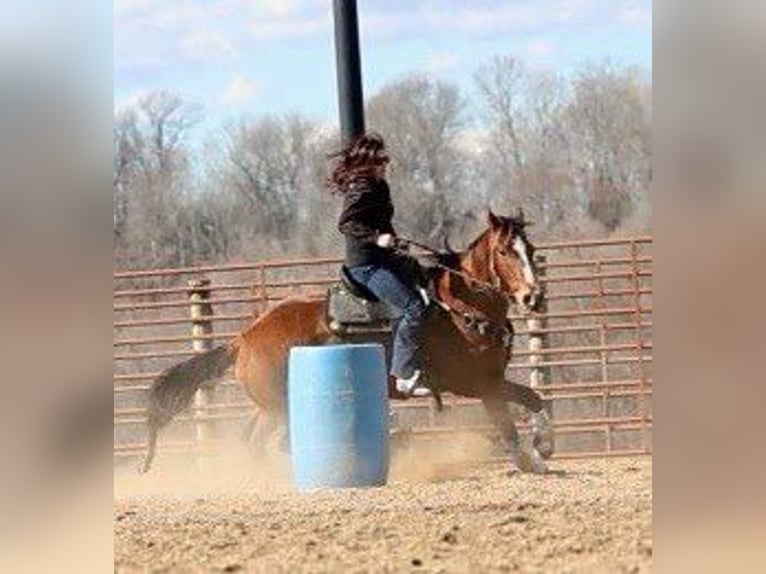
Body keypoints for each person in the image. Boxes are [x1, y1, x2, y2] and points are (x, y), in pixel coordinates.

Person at [327, 133, 430, 398]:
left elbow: (383, 224)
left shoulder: (379, 186)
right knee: (413, 306)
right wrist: (377, 238)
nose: (385, 164)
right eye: (381, 160)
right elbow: (346, 223)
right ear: (368, 162)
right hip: (366, 267)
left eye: (386, 160)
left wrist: (394, 243)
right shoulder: (361, 188)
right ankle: (403, 374)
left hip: (383, 258)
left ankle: (414, 361)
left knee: (426, 284)